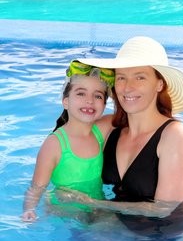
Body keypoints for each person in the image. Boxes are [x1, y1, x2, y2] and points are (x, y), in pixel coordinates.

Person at [57, 36, 183, 220]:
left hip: (163, 237)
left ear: (159, 84)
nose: (128, 88)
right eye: (121, 77)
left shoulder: (175, 135)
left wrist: (91, 203)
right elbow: (63, 140)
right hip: (112, 226)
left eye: (140, 77)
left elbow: (165, 209)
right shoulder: (109, 128)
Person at [22, 60, 114, 222]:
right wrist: (29, 209)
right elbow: (37, 186)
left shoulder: (101, 130)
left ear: (104, 104)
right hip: (65, 209)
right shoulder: (55, 144)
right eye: (80, 93)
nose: (90, 100)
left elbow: (127, 114)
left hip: (95, 205)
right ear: (65, 101)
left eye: (98, 96)